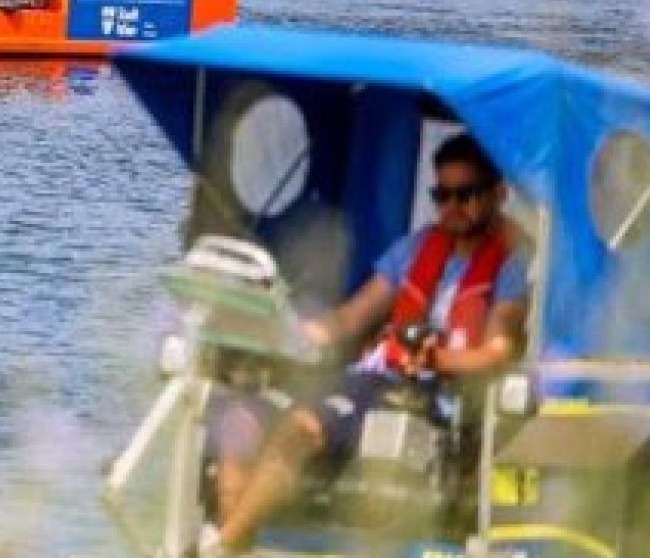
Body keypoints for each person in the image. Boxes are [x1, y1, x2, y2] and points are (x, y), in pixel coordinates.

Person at [207, 131, 529, 555]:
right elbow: (348, 319)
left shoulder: (513, 262)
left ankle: (217, 549)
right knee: (239, 423)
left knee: (299, 428)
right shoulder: (416, 248)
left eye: (465, 195)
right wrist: (280, 330)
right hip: (369, 378)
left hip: (427, 396)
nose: (451, 207)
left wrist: (434, 357)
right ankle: (231, 547)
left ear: (498, 194)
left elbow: (496, 351)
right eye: (441, 195)